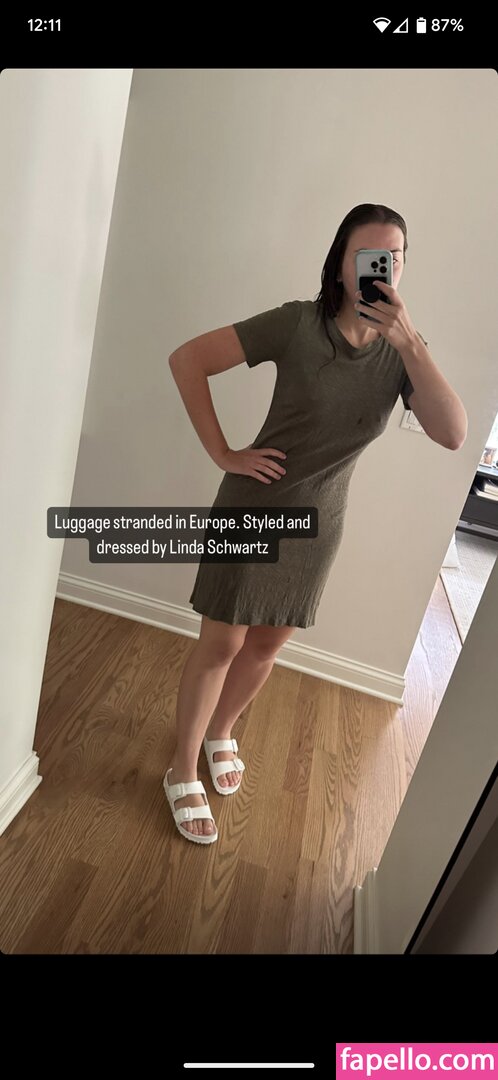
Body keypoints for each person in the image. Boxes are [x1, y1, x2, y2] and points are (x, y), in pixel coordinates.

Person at [164, 202, 467, 844]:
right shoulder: (297, 324)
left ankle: (221, 732)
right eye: (368, 257)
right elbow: (187, 359)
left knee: (266, 646)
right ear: (341, 264)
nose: (381, 270)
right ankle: (181, 768)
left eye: (393, 259)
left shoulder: (402, 357)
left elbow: (453, 433)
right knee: (221, 644)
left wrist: (410, 342)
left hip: (319, 526)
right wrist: (224, 453)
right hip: (253, 508)